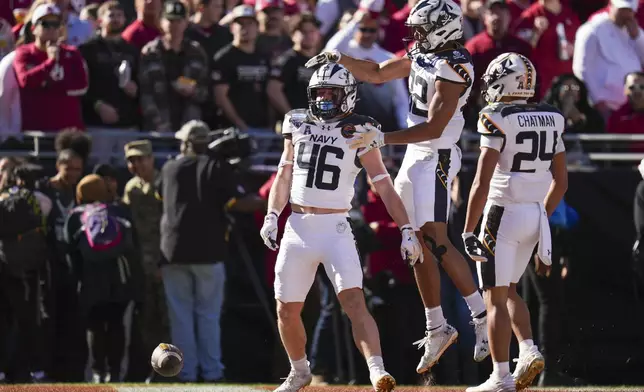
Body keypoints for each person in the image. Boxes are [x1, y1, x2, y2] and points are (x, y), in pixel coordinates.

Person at [305, 0, 490, 373]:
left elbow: (435, 127)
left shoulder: (454, 64)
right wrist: (338, 58)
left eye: (422, 29)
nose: (415, 36)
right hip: (414, 155)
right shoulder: (424, 52)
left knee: (437, 238)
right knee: (414, 243)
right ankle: (436, 324)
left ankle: (482, 316)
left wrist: (382, 138)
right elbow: (375, 73)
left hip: (436, 153)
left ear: (443, 28)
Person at [259, 63, 421, 392]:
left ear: (347, 95)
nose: (324, 99)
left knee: (353, 301)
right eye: (319, 92)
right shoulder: (297, 121)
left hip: (335, 226)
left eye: (332, 92)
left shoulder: (361, 129)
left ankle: (377, 371)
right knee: (287, 310)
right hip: (299, 226)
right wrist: (272, 215)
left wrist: (407, 228)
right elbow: (284, 173)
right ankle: (300, 370)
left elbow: (384, 185)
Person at [460, 52, 568, 392]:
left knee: (493, 295)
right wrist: (542, 222)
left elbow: (481, 181)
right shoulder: (553, 116)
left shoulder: (496, 116)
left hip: (501, 213)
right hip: (535, 214)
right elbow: (561, 182)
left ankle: (501, 377)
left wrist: (466, 228)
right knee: (509, 291)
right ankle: (528, 350)